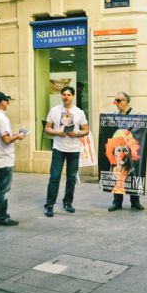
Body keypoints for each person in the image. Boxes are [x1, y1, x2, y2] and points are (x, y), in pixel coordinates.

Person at [43, 86, 89, 217]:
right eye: (64, 94)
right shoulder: (54, 110)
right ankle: (49, 205)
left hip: (74, 149)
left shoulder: (79, 112)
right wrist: (57, 132)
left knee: (71, 178)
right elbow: (47, 128)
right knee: (54, 177)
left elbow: (86, 130)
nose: (66, 97)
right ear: (61, 96)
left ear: (72, 96)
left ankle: (68, 202)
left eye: (69, 94)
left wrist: (77, 133)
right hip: (59, 148)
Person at [0, 92, 26, 226]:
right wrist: (18, 137)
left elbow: (1, 136)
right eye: (6, 100)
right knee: (3, 190)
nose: (8, 103)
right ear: (1, 102)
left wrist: (14, 134)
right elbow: (6, 139)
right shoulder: (2, 118)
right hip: (4, 158)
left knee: (0, 188)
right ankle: (0, 217)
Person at [108, 92, 144, 212]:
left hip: (131, 149)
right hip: (119, 149)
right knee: (118, 174)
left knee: (133, 173)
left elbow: (140, 130)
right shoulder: (113, 115)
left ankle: (135, 201)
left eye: (119, 101)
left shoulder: (136, 113)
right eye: (116, 100)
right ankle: (117, 202)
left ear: (126, 101)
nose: (116, 103)